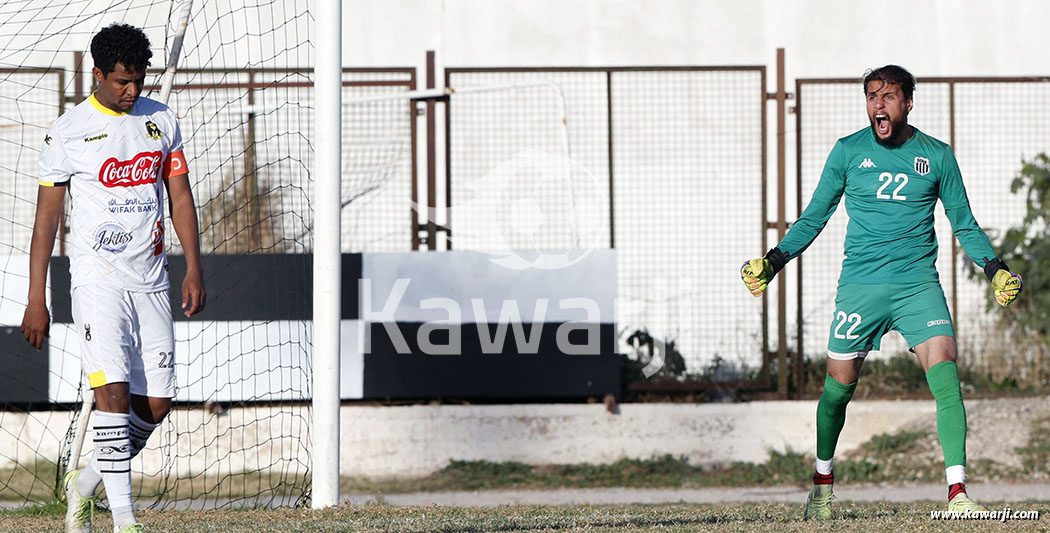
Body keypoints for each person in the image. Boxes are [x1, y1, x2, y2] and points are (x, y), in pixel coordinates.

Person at [740, 65, 1022, 519]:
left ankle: (958, 493)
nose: (878, 104)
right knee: (838, 391)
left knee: (945, 369)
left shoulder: (938, 155)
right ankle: (823, 483)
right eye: (872, 96)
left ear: (908, 102)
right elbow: (814, 217)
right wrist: (773, 261)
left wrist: (996, 269)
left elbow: (963, 223)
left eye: (888, 96)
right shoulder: (848, 152)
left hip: (917, 286)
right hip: (860, 287)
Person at [20, 23, 205, 533]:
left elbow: (181, 197)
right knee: (113, 397)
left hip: (151, 280)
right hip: (97, 281)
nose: (132, 91)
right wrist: (36, 296)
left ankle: (83, 484)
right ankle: (125, 520)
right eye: (122, 81)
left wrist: (193, 265)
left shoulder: (161, 119)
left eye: (138, 81)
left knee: (158, 404)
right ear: (97, 74)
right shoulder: (67, 131)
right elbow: (46, 221)